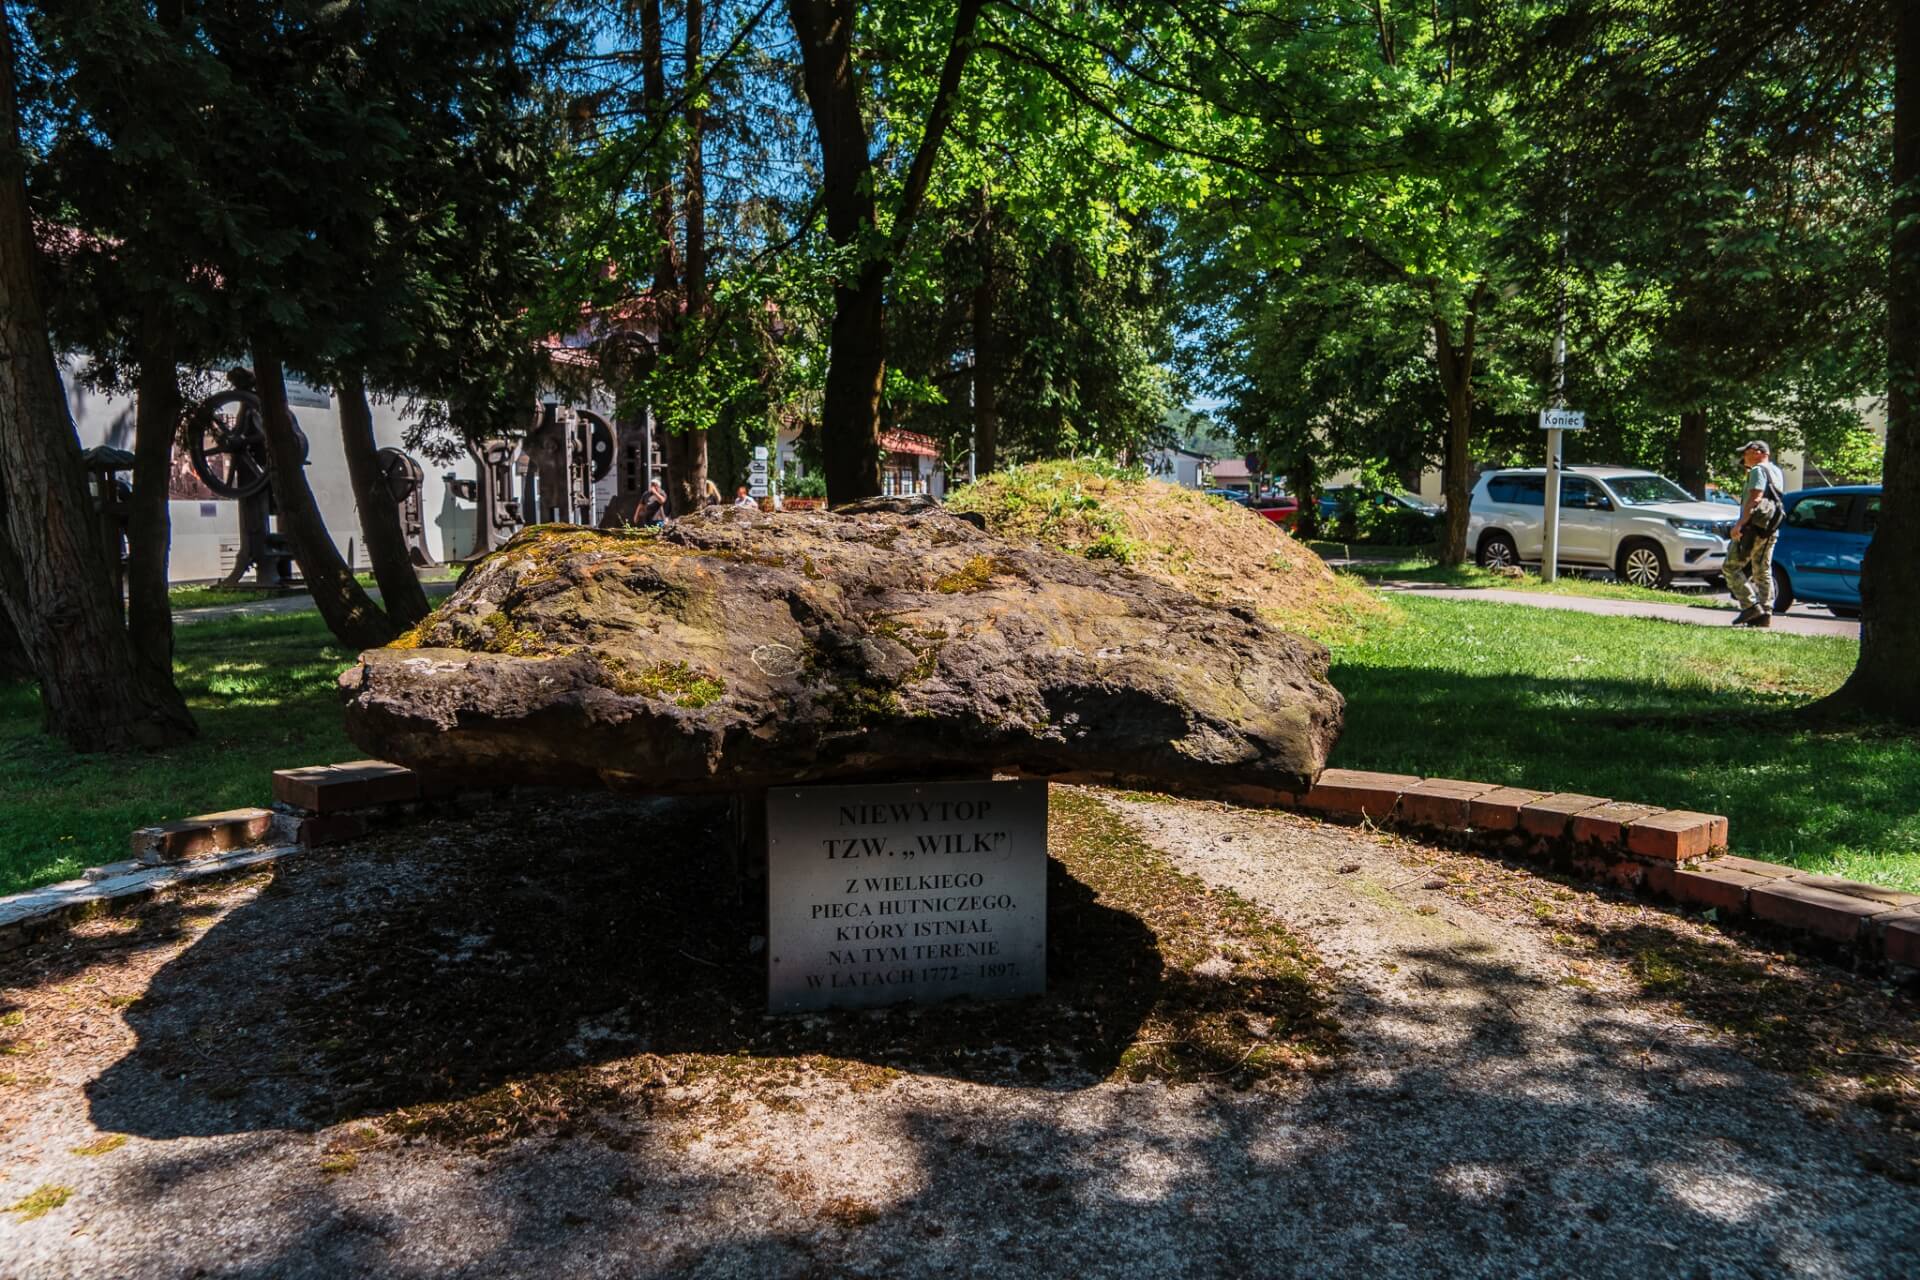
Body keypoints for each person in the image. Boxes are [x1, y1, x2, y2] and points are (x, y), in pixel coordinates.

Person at [1724, 439, 1786, 628]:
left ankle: (1750, 605)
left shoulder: (1759, 470)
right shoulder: (1776, 471)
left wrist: (1739, 525)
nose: (1744, 457)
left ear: (1757, 452)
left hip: (1753, 529)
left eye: (1746, 453)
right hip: (1769, 528)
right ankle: (1765, 614)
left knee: (1730, 567)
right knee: (1762, 570)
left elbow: (1755, 498)